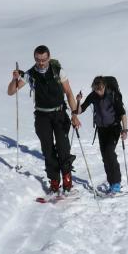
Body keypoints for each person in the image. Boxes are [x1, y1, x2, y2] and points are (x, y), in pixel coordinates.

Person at [8, 45, 81, 193]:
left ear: (49, 57)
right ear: (35, 58)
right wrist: (14, 79)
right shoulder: (30, 74)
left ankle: (67, 177)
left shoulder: (58, 72)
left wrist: (74, 115)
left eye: (43, 59)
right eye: (38, 59)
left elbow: (68, 92)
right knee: (47, 150)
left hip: (59, 114)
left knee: (63, 147)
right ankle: (54, 180)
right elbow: (11, 92)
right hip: (42, 116)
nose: (41, 62)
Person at [77, 75, 128, 194]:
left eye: (100, 89)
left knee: (110, 152)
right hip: (101, 130)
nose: (98, 92)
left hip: (114, 128)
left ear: (104, 86)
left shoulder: (113, 95)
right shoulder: (93, 95)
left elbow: (122, 114)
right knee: (105, 157)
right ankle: (111, 183)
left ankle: (116, 183)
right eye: (95, 89)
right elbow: (80, 110)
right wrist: (78, 100)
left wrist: (125, 130)